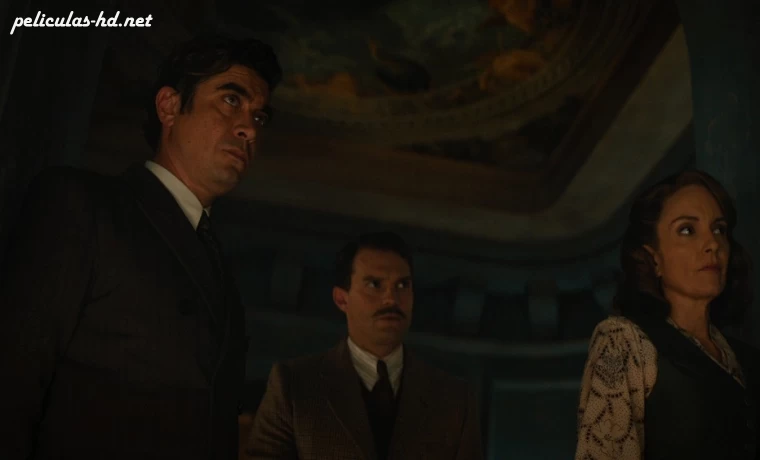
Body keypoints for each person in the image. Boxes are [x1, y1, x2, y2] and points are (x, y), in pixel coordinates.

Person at [0, 34, 282, 459]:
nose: (249, 128)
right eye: (230, 101)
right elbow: (12, 377)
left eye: (259, 117)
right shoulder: (83, 205)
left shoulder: (216, 258)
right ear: (169, 106)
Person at [575, 170, 760, 459]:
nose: (712, 244)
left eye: (719, 229)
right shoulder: (624, 342)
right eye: (687, 230)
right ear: (653, 258)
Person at [244, 232, 484, 460]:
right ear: (342, 299)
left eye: (402, 285)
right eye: (374, 285)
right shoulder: (295, 385)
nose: (391, 298)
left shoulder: (453, 399)